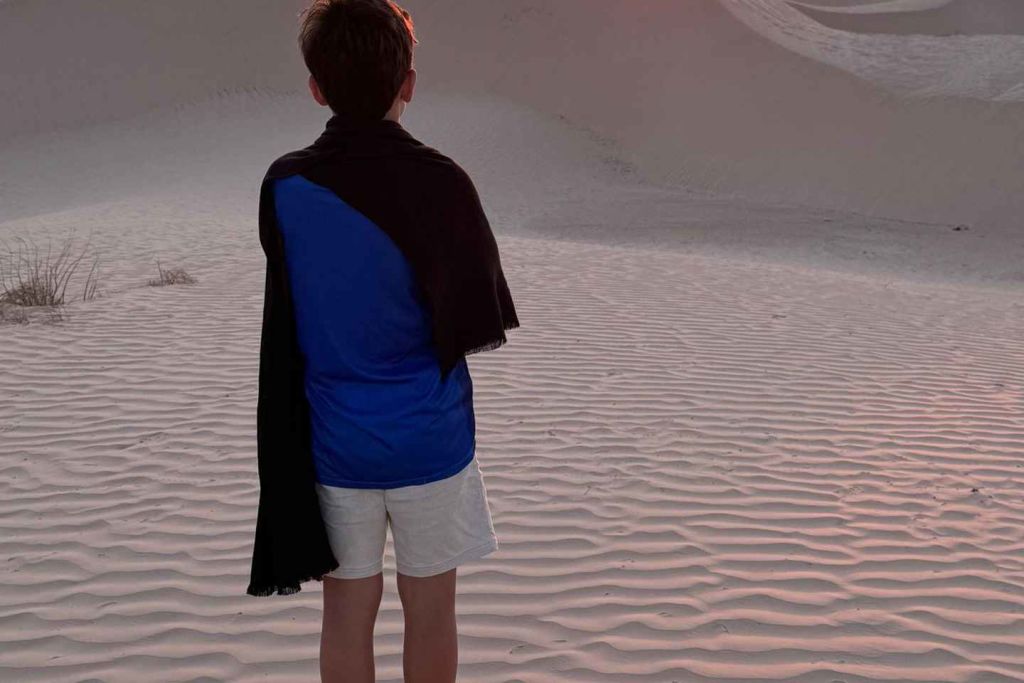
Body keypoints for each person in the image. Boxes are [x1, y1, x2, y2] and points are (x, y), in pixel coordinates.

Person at [247, 1, 519, 682]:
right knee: (431, 612)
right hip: (431, 438)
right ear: (409, 84)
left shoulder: (285, 185)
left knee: (345, 615)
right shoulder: (443, 181)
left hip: (334, 445)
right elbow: (479, 316)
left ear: (317, 88)